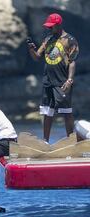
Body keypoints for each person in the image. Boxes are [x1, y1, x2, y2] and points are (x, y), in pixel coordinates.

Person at [27, 13, 79, 142]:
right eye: (48, 26)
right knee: (47, 112)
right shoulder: (48, 39)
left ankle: (71, 141)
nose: (49, 29)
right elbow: (37, 57)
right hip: (48, 81)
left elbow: (72, 61)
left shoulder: (70, 40)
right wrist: (31, 49)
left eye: (52, 26)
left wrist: (69, 80)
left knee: (66, 112)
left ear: (59, 25)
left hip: (62, 81)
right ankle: (45, 141)